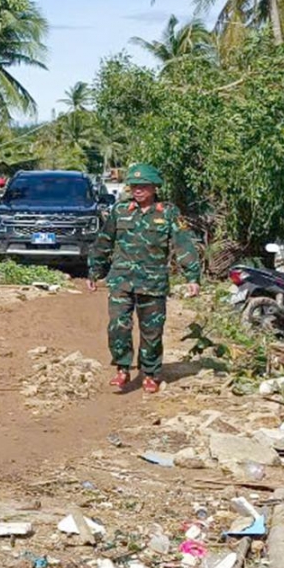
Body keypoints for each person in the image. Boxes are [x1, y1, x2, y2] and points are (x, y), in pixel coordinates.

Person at [87, 163, 201, 394]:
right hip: (121, 280)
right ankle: (122, 368)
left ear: (154, 187)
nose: (138, 190)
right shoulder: (120, 211)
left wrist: (192, 277)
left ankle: (150, 373)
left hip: (153, 282)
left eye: (143, 186)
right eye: (134, 186)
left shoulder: (168, 213)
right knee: (118, 325)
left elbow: (183, 245)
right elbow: (104, 241)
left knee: (152, 331)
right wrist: (94, 271)